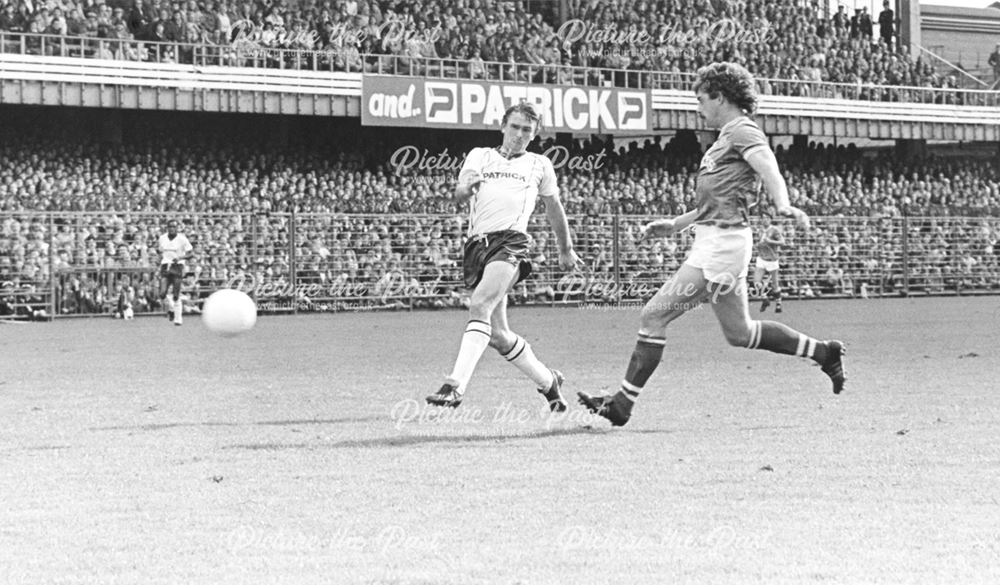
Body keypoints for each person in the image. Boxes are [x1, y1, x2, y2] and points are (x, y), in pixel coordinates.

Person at [578, 62, 847, 427]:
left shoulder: (741, 130)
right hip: (719, 239)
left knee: (653, 315)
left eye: (701, 99)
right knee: (741, 333)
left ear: (721, 97)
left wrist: (782, 203)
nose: (698, 107)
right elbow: (718, 199)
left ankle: (622, 403)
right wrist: (675, 224)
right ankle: (824, 352)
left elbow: (768, 164)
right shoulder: (725, 137)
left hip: (722, 244)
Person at [425, 102, 581, 411]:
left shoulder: (539, 164)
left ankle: (454, 386)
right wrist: (466, 188)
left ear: (534, 135)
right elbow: (459, 192)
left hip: (511, 243)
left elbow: (553, 207)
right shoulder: (480, 155)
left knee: (479, 303)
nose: (520, 135)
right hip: (477, 246)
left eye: (527, 130)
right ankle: (549, 382)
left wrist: (566, 249)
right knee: (497, 335)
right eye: (515, 127)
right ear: (503, 126)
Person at [158, 219, 192, 326]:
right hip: (165, 265)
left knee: (176, 294)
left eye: (174, 226)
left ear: (177, 228)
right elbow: (160, 252)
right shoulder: (162, 238)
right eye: (170, 226)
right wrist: (159, 263)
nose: (172, 228)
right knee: (162, 293)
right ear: (167, 228)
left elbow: (191, 253)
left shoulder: (182, 239)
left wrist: (181, 257)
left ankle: (178, 318)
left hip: (177, 266)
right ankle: (171, 308)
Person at [753, 211, 786, 313]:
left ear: (770, 219)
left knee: (774, 284)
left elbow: (782, 242)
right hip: (761, 258)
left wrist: (771, 241)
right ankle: (764, 299)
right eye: (763, 218)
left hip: (772, 259)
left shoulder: (774, 230)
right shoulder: (760, 230)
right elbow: (759, 242)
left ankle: (778, 303)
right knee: (756, 282)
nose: (765, 219)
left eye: (767, 218)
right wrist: (757, 246)